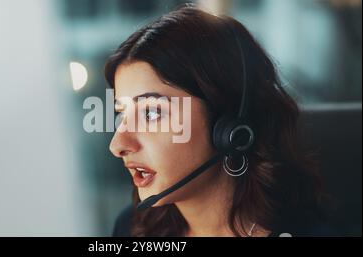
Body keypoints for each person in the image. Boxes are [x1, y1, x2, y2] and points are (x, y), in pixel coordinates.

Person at [105, 5, 329, 237]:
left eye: (150, 113)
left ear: (229, 128)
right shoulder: (131, 228)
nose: (117, 145)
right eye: (121, 114)